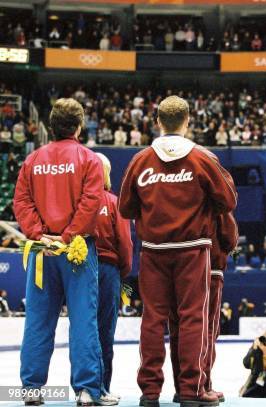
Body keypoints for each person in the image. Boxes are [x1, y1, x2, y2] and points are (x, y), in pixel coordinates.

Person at [119, 95, 237, 407]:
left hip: (154, 250)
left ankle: (149, 392)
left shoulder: (140, 160)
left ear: (157, 122)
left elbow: (126, 208)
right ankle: (191, 390)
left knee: (152, 319)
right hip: (192, 250)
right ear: (187, 122)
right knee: (192, 319)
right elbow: (228, 202)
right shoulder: (201, 159)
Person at [13, 98, 108, 405]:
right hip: (76, 251)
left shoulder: (33, 160)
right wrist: (67, 238)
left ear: (51, 126)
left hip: (43, 251)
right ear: (80, 126)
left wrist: (41, 236)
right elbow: (91, 202)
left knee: (38, 320)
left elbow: (22, 202)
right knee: (82, 320)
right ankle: (85, 391)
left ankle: (31, 389)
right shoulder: (89, 159)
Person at [169, 211, 239, 403]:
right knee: (206, 329)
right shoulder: (216, 201)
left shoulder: (184, 193)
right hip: (210, 268)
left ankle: (182, 387)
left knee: (179, 329)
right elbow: (230, 236)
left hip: (177, 264)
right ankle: (202, 385)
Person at [94, 153, 133, 399]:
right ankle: (102, 388)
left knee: (83, 330)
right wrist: (124, 271)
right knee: (105, 331)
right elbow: (125, 243)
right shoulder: (113, 202)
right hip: (108, 269)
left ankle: (84, 387)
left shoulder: (78, 202)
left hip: (79, 269)